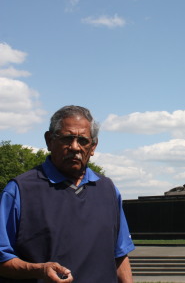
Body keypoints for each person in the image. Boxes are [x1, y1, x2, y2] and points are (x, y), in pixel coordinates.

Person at [0, 105, 135, 282]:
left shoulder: (108, 190)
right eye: (67, 139)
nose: (74, 147)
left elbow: (120, 255)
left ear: (93, 147)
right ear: (49, 140)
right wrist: (39, 270)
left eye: (83, 141)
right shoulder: (19, 191)